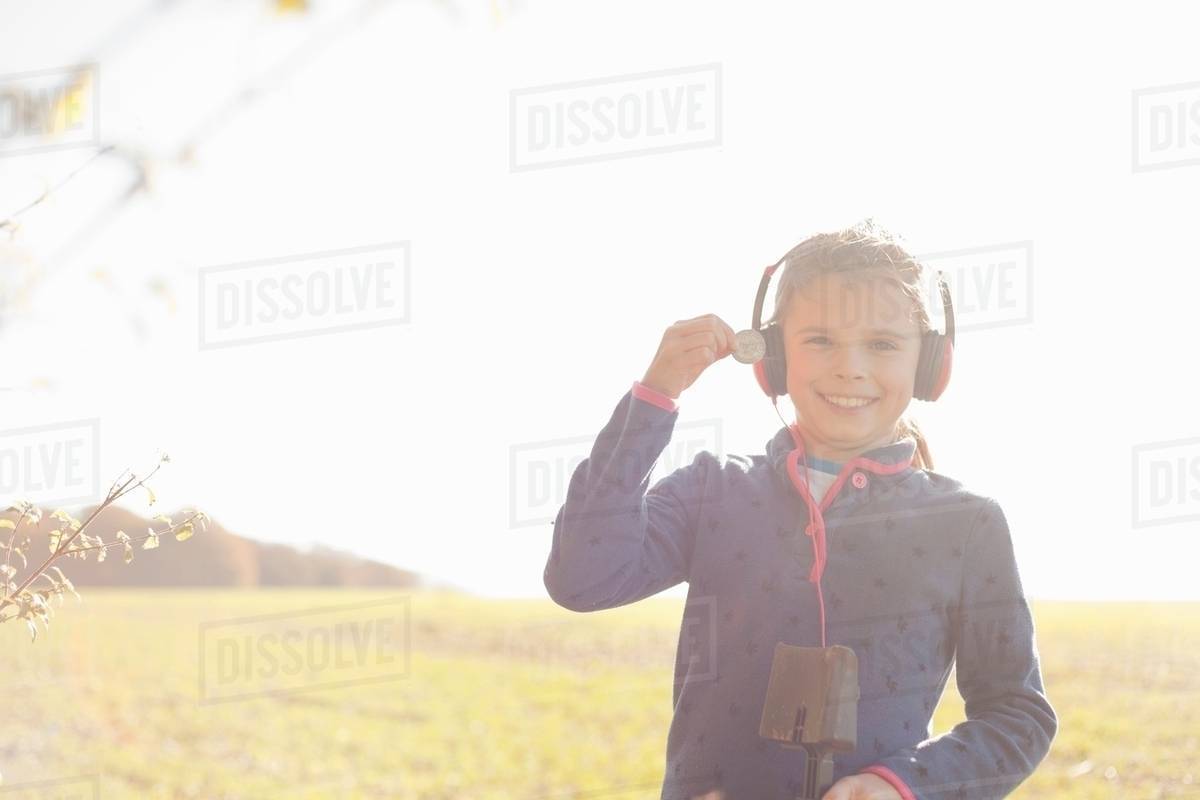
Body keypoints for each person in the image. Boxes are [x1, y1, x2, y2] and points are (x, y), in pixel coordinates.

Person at [543, 220, 1058, 800]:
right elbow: (581, 577)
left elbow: (1018, 715)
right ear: (774, 358)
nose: (850, 367)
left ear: (929, 364)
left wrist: (901, 786)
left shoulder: (967, 524)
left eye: (882, 344)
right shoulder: (713, 490)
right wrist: (654, 399)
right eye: (820, 340)